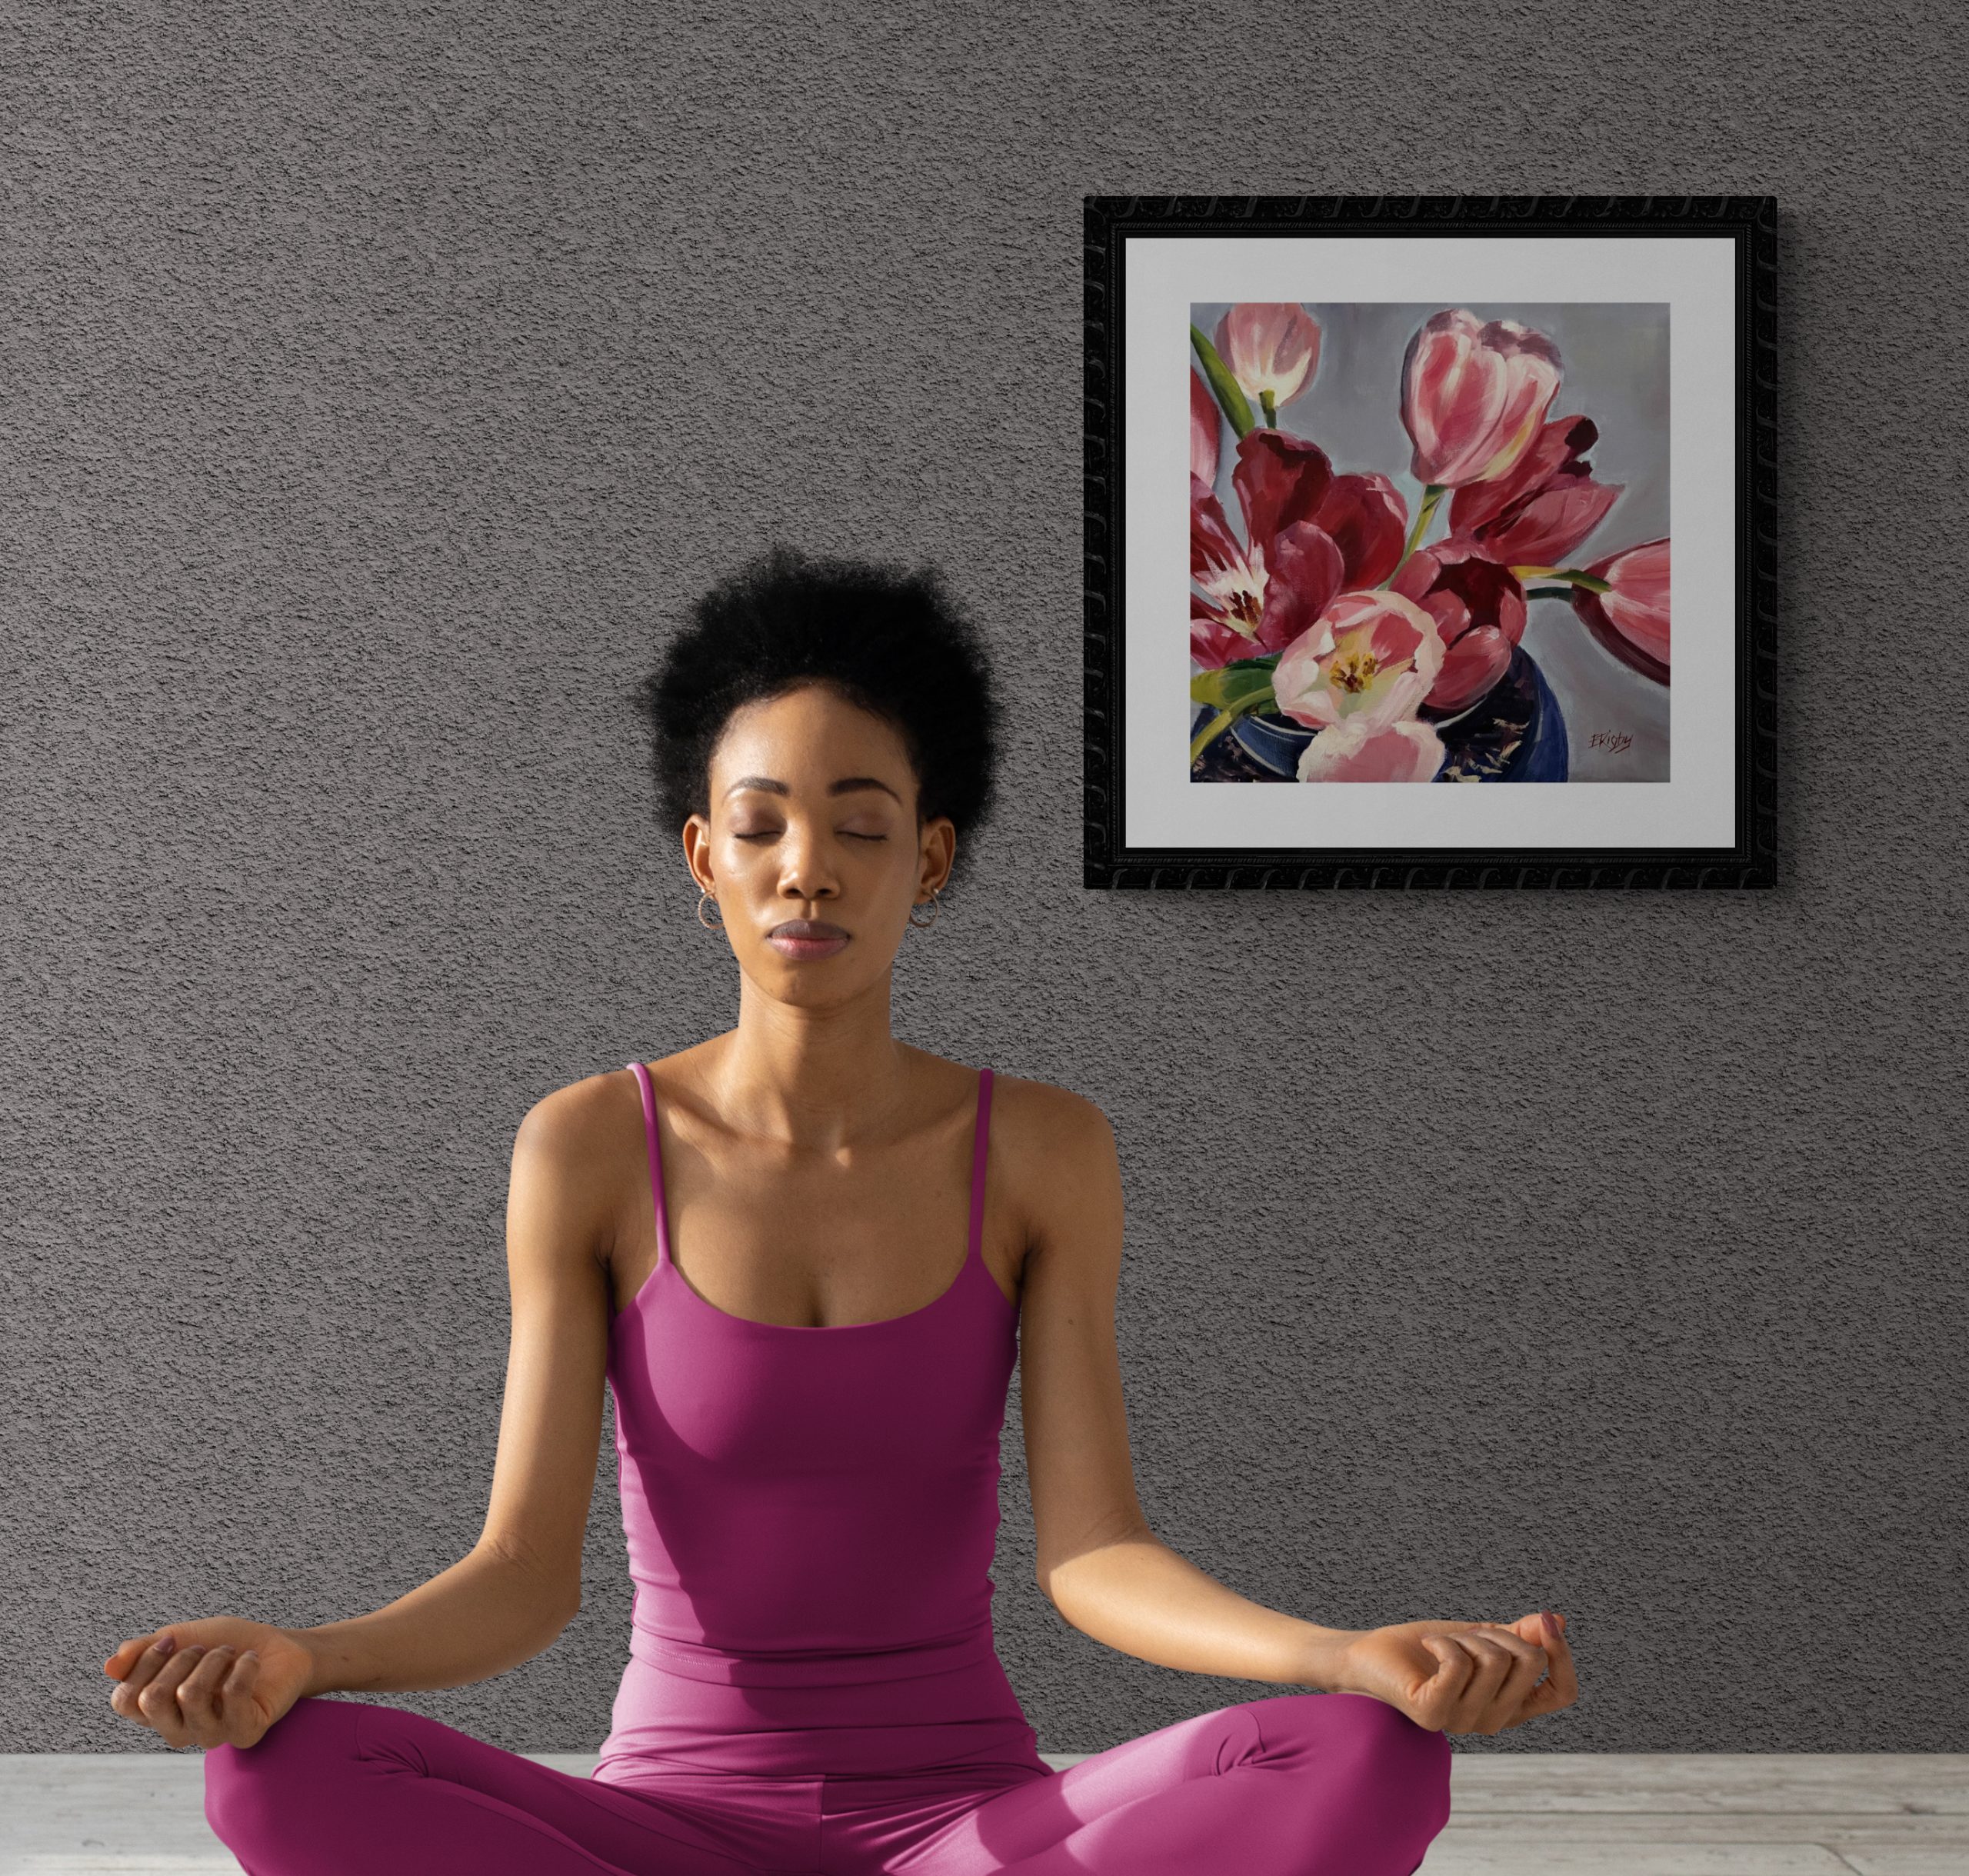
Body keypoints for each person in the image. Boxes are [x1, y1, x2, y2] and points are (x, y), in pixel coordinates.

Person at [101, 547, 1577, 1874]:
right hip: (661, 1828)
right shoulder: (590, 1148)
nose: (808, 866)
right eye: (762, 828)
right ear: (707, 862)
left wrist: (1341, 1658)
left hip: (975, 1831)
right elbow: (518, 1579)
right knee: (278, 1774)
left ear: (928, 859)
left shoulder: (1044, 1149)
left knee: (1370, 1753)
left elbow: (1094, 1555)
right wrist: (300, 1656)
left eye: (861, 826)